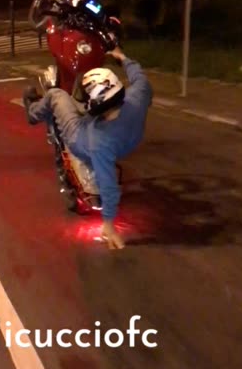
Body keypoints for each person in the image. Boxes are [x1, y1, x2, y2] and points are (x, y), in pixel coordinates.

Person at [23, 47, 153, 249]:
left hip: (79, 138)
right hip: (128, 142)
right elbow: (140, 77)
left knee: (56, 95)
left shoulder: (101, 141)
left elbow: (108, 185)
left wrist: (109, 225)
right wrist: (123, 58)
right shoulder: (138, 97)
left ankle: (32, 112)